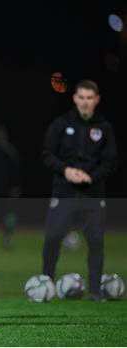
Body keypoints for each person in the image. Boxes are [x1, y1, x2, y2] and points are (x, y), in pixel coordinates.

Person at [41, 80, 117, 301]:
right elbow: (47, 154)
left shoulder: (104, 128)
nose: (85, 103)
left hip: (92, 195)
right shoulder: (61, 124)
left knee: (96, 240)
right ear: (75, 98)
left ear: (96, 100)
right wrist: (65, 171)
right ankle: (46, 284)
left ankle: (94, 290)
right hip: (64, 193)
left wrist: (91, 177)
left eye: (89, 98)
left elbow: (111, 162)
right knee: (53, 237)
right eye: (81, 98)